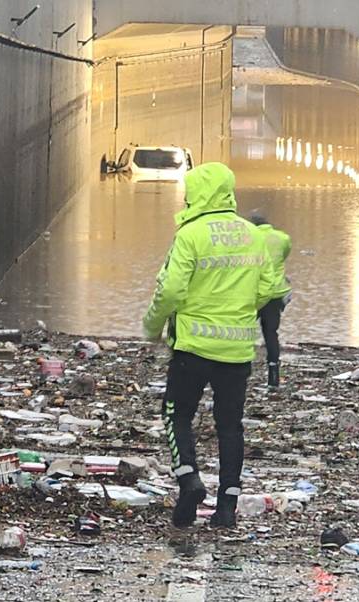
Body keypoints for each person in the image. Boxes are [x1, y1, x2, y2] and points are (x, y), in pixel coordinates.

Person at [142, 163, 281, 528]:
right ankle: (227, 508)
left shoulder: (190, 234)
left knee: (177, 414)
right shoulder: (253, 235)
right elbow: (271, 288)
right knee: (230, 426)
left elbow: (170, 289)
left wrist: (153, 326)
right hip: (236, 352)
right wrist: (241, 311)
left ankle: (189, 479)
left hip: (192, 349)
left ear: (198, 195)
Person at [248, 213, 292, 387]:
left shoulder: (248, 238)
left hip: (253, 293)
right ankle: (273, 374)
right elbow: (283, 256)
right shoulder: (283, 238)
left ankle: (240, 370)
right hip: (276, 293)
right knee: (271, 333)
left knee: (243, 332)